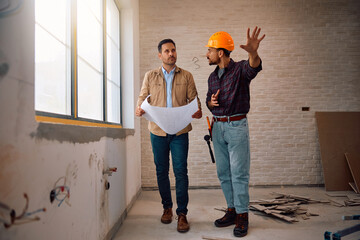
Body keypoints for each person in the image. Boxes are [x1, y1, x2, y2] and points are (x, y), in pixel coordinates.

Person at [136, 39, 202, 233]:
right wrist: (138, 108)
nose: (171, 54)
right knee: (161, 171)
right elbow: (142, 97)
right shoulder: (150, 76)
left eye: (173, 50)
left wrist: (197, 110)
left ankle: (182, 214)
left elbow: (194, 100)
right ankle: (167, 208)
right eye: (167, 51)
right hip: (157, 131)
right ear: (160, 55)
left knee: (181, 171)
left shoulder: (187, 76)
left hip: (180, 131)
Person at [205, 28, 265, 237]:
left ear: (220, 52)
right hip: (218, 127)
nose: (207, 54)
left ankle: (242, 215)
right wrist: (211, 104)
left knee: (239, 174)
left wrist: (253, 53)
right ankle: (231, 210)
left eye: (210, 50)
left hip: (237, 126)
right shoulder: (212, 77)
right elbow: (208, 101)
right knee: (223, 173)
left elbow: (253, 68)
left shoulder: (240, 69)